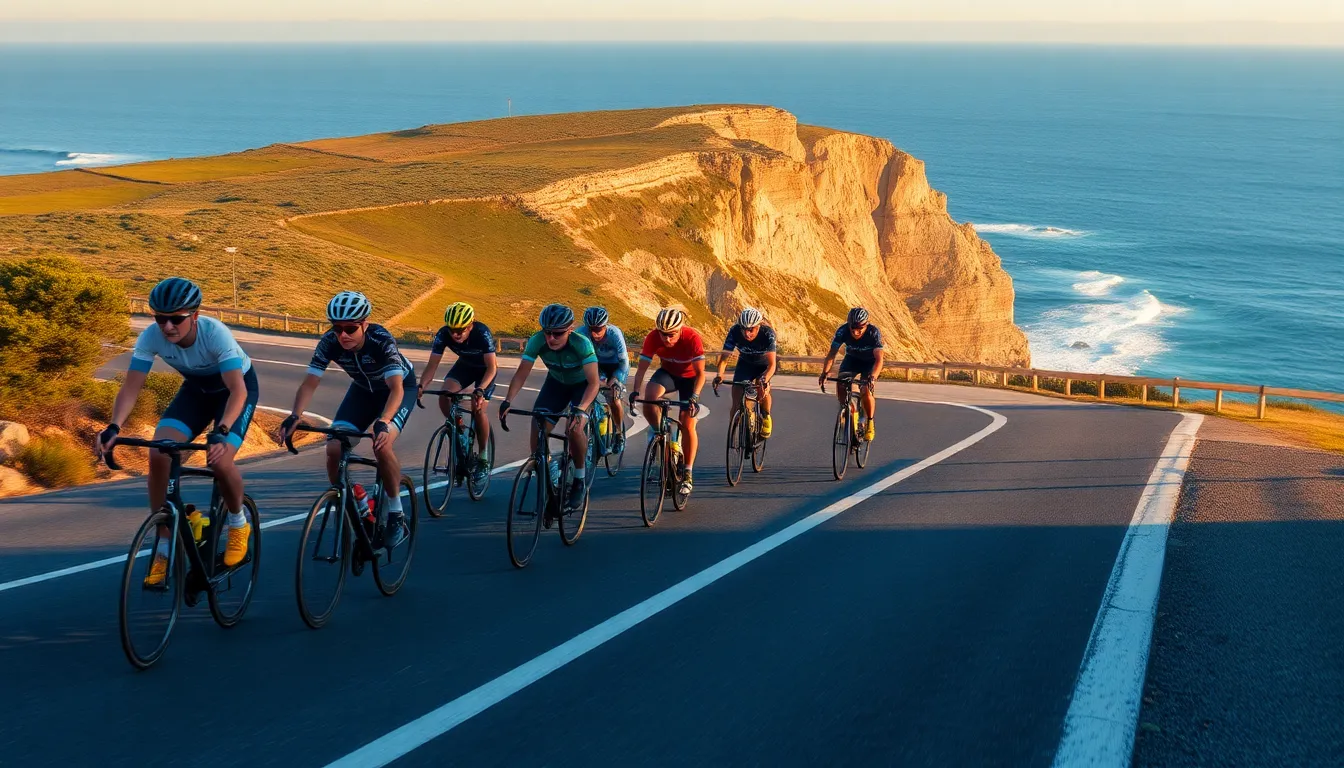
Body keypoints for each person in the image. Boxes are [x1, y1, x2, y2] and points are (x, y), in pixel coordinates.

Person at [95, 277, 258, 585]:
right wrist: (114, 426)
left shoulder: (215, 335)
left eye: (176, 319)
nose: (167, 326)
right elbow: (132, 387)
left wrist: (221, 430)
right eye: (160, 318)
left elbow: (238, 391)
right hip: (196, 393)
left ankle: (238, 523)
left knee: (220, 460)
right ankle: (166, 543)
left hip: (234, 393)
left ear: (195, 315)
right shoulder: (150, 337)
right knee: (158, 452)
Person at [278, 291, 416, 549]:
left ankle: (396, 513)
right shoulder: (329, 342)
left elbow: (396, 389)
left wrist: (384, 421)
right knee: (334, 447)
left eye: (350, 329)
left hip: (396, 390)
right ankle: (357, 503)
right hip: (363, 391)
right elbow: (309, 383)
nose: (343, 335)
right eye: (337, 328)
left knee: (381, 444)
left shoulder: (381, 340)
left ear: (365, 324)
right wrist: (295, 416)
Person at [498, 304, 600, 514]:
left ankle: (579, 479)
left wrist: (581, 409)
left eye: (558, 333)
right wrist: (507, 400)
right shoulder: (537, 341)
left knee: (574, 428)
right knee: (538, 424)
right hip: (556, 384)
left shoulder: (581, 344)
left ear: (570, 330)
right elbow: (521, 374)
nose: (551, 338)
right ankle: (549, 469)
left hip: (582, 386)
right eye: (547, 333)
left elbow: (594, 383)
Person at [628, 308, 705, 495]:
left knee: (687, 425)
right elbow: (641, 371)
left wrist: (694, 397)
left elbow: (702, 374)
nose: (667, 339)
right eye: (663, 334)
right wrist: (635, 391)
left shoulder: (692, 337)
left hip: (690, 379)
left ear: (680, 330)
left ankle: (687, 472)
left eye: (671, 335)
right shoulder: (653, 337)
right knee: (649, 400)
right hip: (668, 374)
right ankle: (658, 433)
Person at [419, 301, 497, 482]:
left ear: (470, 325)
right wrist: (422, 385)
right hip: (465, 366)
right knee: (443, 395)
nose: (455, 334)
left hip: (485, 370)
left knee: (477, 407)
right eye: (451, 330)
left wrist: (480, 389)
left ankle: (484, 457)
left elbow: (492, 367)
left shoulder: (482, 333)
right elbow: (432, 366)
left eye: (460, 330)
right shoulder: (443, 334)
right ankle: (460, 429)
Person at [818, 307, 885, 441]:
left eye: (859, 328)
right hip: (851, 360)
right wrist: (824, 372)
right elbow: (832, 354)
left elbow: (879, 359)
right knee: (841, 384)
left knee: (866, 390)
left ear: (866, 324)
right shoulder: (842, 331)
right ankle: (848, 412)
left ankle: (869, 422)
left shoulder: (873, 332)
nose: (855, 332)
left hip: (869, 362)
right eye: (852, 328)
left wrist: (873, 377)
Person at [713, 307, 777, 438]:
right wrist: (719, 375)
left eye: (751, 330)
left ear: (758, 326)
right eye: (744, 329)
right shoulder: (735, 331)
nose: (747, 333)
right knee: (736, 399)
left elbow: (772, 365)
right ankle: (733, 431)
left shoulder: (767, 333)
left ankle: (766, 417)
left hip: (763, 366)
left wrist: (765, 380)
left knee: (761, 387)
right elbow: (724, 359)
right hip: (745, 364)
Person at [576, 306, 629, 452]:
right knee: (587, 392)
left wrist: (616, 378)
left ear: (605, 326)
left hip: (615, 366)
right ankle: (597, 415)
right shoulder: (580, 333)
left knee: (614, 398)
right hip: (595, 365)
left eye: (598, 329)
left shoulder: (614, 334)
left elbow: (624, 362)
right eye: (591, 329)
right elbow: (576, 359)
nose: (594, 333)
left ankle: (618, 433)